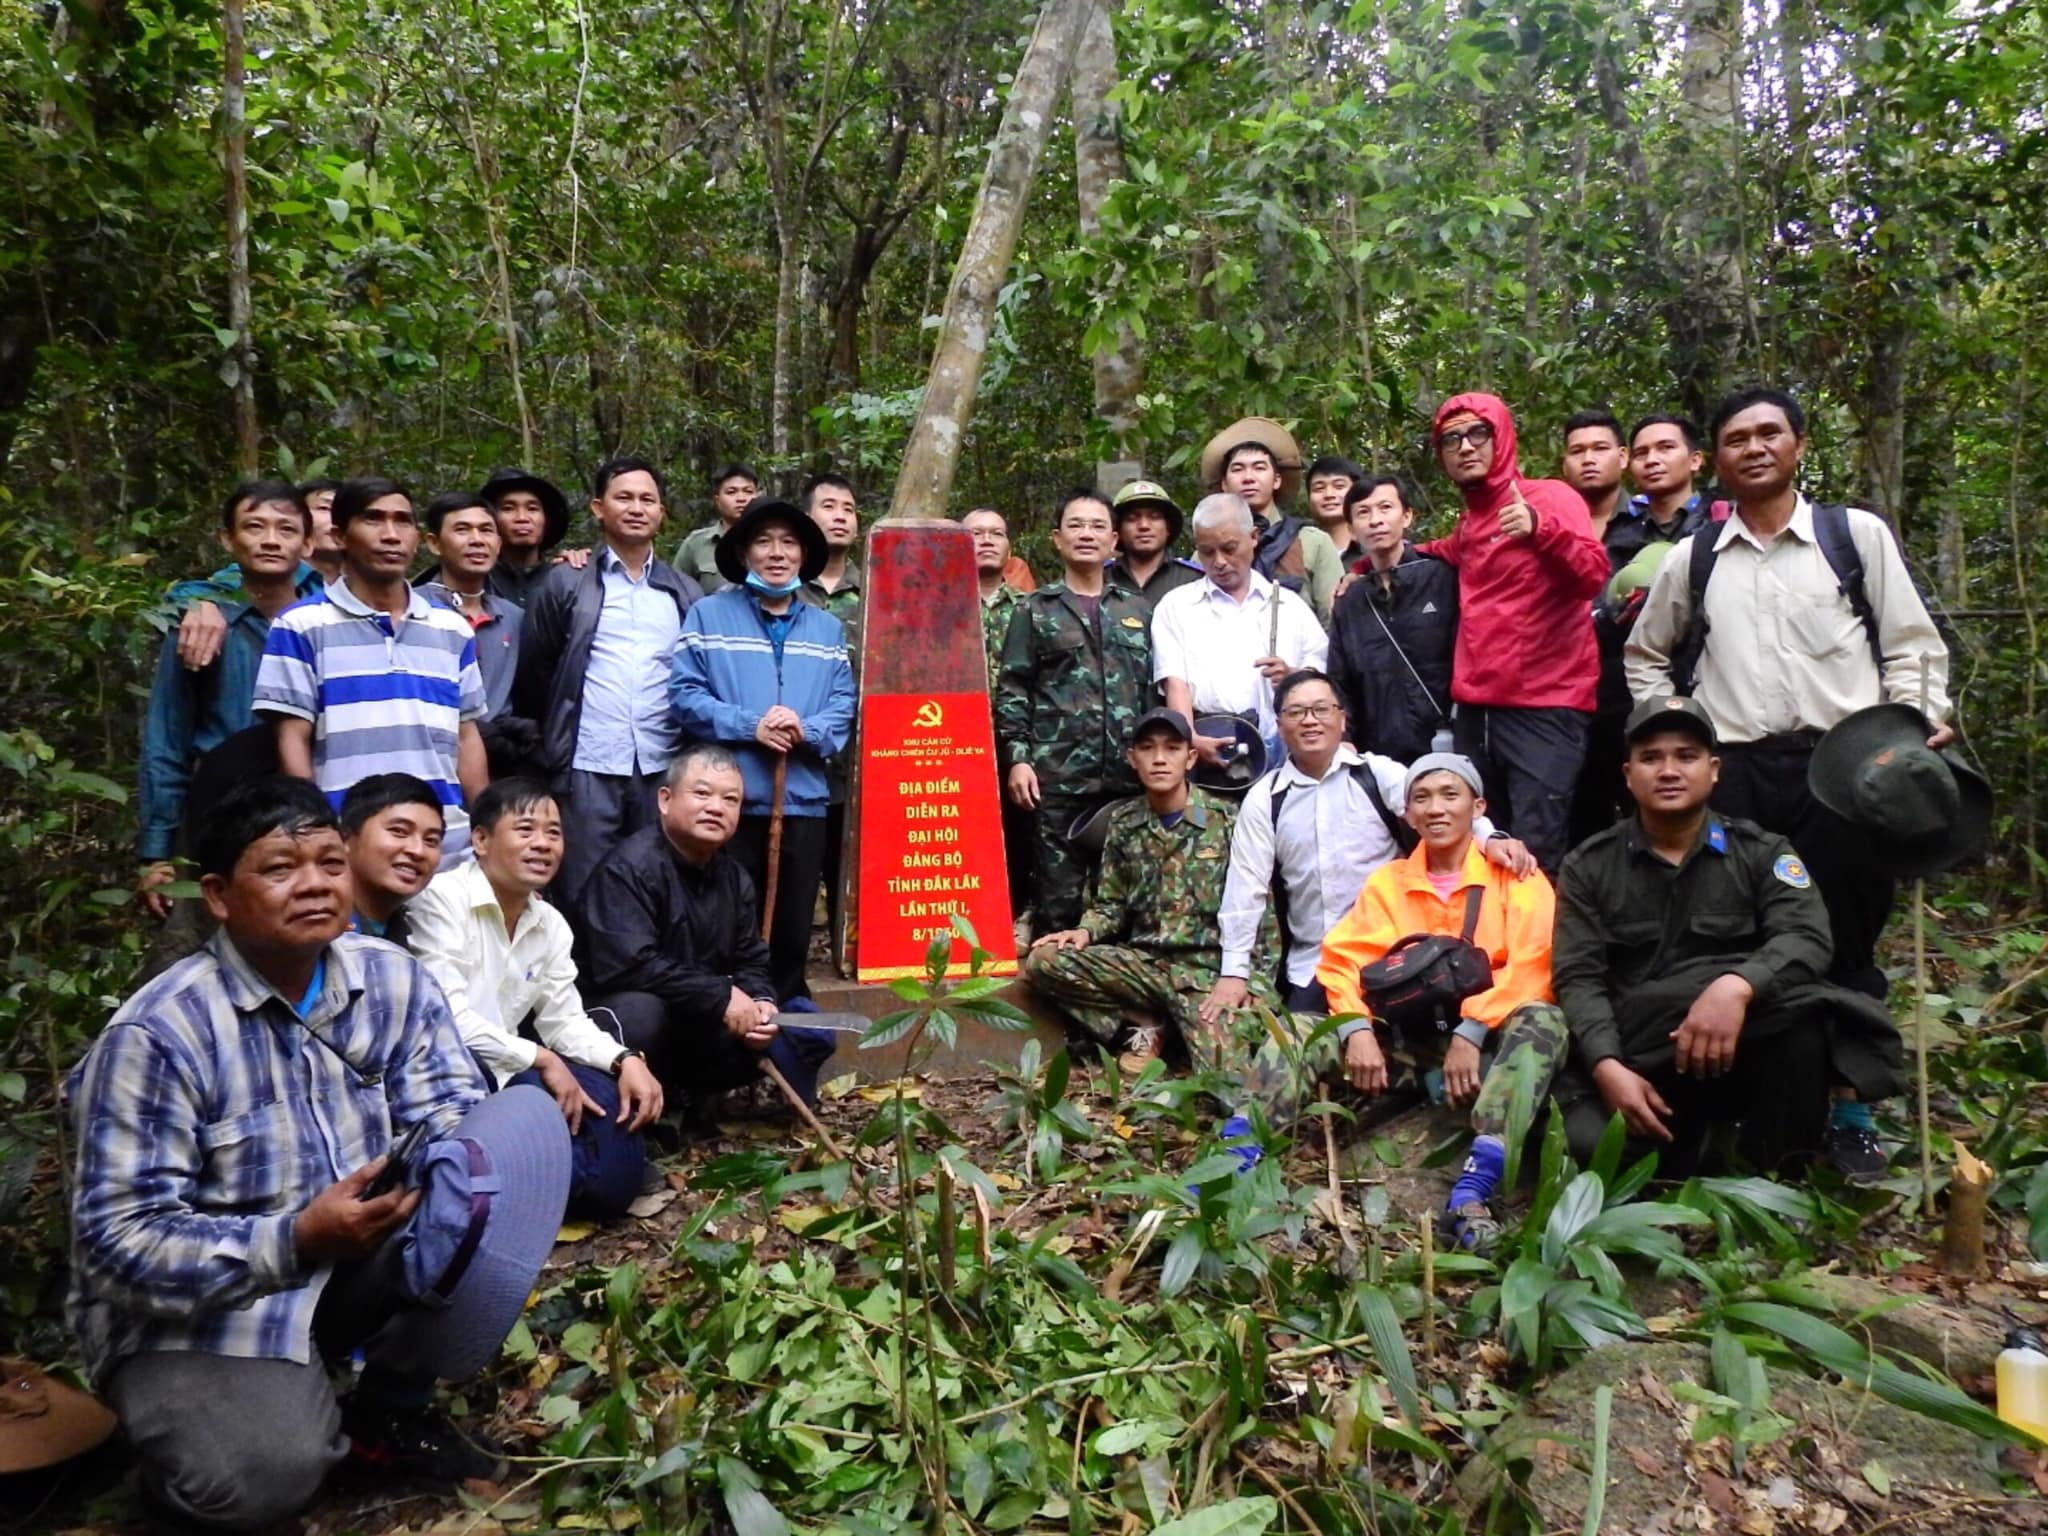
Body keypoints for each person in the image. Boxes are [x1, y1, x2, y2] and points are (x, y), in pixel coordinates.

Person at [67, 776, 569, 1531]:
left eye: (330, 864)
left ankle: (388, 1409)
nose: (314, 885)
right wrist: (295, 1238)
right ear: (219, 895)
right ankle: (196, 1443)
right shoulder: (158, 1037)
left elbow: (450, 1110)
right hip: (205, 1306)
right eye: (279, 868)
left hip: (352, 1251)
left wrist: (445, 1174)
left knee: (493, 1176)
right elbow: (117, 1245)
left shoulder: (392, 979)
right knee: (258, 1478)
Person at [1624, 385, 1952, 999]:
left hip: (1846, 767)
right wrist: (1675, 732)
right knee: (1737, 929)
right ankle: (1763, 1051)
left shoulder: (1853, 536)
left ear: (1798, 445)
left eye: (1769, 434)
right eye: (1736, 440)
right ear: (1716, 460)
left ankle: (1851, 1050)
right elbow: (1645, 654)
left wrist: (1913, 725)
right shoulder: (1695, 558)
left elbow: (1913, 645)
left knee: (1846, 926)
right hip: (1736, 773)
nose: (1754, 448)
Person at [1551, 696, 1904, 1181]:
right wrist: (1606, 1065)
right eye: (1651, 758)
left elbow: (1805, 936)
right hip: (1643, 1055)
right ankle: (1694, 1149)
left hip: (1743, 1048)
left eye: (1686, 756)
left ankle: (1776, 1178)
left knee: (1805, 1025)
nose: (1669, 771)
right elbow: (1578, 977)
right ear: (1628, 775)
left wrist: (1736, 986)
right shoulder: (1588, 866)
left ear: (1714, 770)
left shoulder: (1761, 853)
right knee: (1591, 1149)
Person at [1316, 754, 1570, 1254]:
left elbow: (1535, 964)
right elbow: (1342, 959)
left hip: (1490, 1046)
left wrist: (1472, 1030)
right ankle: (1237, 1160)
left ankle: (1474, 1189)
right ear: (1408, 814)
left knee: (1545, 1020)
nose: (1436, 808)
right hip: (1409, 1045)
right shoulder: (1389, 883)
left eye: (1450, 795)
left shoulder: (1515, 876)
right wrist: (1355, 1028)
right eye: (1422, 798)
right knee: (1302, 1032)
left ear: (1478, 807)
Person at [406, 779, 662, 1218]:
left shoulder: (550, 923)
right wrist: (540, 1058)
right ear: (481, 840)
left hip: (513, 1069)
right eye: (525, 830)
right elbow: (445, 1019)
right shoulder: (440, 901)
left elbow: (564, 1020)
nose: (542, 844)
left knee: (616, 1159)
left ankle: (541, 1181)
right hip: (455, 1076)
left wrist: (625, 1060)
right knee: (593, 1172)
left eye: (553, 832)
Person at [1206, 670, 1529, 1017]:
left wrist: (1490, 837)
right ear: (1280, 724)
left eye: (1321, 709)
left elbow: (1437, 807)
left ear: (1342, 719)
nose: (1310, 720)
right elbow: (1246, 886)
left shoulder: (1376, 774)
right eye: (1296, 712)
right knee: (1300, 1043)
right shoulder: (1265, 799)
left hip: (1396, 957)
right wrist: (1234, 972)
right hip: (1315, 964)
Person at [576, 745, 839, 1110]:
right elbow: (629, 967)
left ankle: (701, 1101)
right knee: (642, 1014)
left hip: (699, 1017)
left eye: (730, 799)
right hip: (623, 1022)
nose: (716, 807)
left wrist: (760, 1001)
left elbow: (751, 959)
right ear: (665, 800)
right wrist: (720, 996)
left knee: (799, 1022)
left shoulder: (733, 876)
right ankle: (634, 1115)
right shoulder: (627, 869)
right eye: (702, 794)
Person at [670, 499, 855, 1001]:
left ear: (803, 555)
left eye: (789, 542)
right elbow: (684, 695)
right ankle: (727, 1015)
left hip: (803, 799)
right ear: (744, 553)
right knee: (725, 923)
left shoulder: (826, 629)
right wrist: (750, 725)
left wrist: (805, 729)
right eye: (764, 541)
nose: (777, 553)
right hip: (728, 800)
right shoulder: (709, 615)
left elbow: (844, 706)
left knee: (793, 927)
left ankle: (786, 1019)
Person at [254, 476, 489, 862]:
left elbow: (466, 736)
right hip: (347, 845)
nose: (391, 535)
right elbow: (292, 740)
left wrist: (485, 832)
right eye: (373, 519)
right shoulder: (300, 626)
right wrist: (316, 835)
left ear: (417, 537)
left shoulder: (452, 628)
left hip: (445, 847)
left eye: (403, 521)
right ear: (340, 535)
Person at [1421, 392, 1609, 872]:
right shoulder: (1471, 523)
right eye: (1452, 439)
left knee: (1535, 851)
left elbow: (1593, 575)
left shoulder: (1549, 497)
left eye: (1478, 433)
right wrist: (1365, 568)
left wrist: (1541, 529)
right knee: (1481, 846)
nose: (1466, 447)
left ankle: (1543, 927)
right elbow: (1442, 550)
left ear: (1502, 437)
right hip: (1477, 711)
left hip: (1545, 706)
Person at [514, 456, 703, 901]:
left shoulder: (684, 592)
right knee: (583, 886)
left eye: (647, 500)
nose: (636, 508)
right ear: (599, 508)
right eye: (624, 498)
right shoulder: (566, 581)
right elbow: (537, 673)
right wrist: (550, 748)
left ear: (662, 513)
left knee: (653, 884)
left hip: (660, 762)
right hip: (586, 761)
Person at [1024, 709, 1255, 1072]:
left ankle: (1185, 1027)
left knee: (1230, 1081)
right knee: (1045, 960)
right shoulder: (1125, 822)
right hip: (1144, 966)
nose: (1159, 759)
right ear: (1133, 758)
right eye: (1148, 748)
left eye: (1172, 748)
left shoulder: (1227, 820)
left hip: (1205, 975)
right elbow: (1112, 904)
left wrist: (1252, 983)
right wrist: (1086, 931)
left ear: (1191, 757)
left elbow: (1260, 912)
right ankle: (1145, 1022)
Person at [139, 479, 312, 921]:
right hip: (217, 810)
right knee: (206, 936)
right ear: (227, 539)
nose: (270, 540)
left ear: (308, 543)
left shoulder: (326, 625)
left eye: (286, 529)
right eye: (254, 527)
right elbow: (167, 739)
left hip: (308, 810)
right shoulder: (199, 628)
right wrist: (158, 852)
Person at [995, 489, 1155, 933]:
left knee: (1126, 898)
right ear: (1057, 538)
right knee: (1057, 902)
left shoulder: (1137, 610)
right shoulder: (1034, 609)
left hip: (1127, 777)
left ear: (1114, 540)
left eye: (1098, 526)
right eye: (1076, 525)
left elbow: (1151, 692)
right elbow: (1014, 689)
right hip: (1057, 776)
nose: (1087, 534)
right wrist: (1018, 759)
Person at [1569, 414, 1708, 848]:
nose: (1653, 460)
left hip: (1708, 689)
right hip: (1619, 694)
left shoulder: (1720, 525)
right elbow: (1595, 613)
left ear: (1696, 459)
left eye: (1666, 448)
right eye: (1643, 452)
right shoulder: (1619, 533)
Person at [1151, 493, 1327, 762]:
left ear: (1253, 537)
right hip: (1210, 739)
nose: (1219, 561)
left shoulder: (1290, 606)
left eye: (1229, 548)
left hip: (1286, 749)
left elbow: (1320, 674)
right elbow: (1175, 683)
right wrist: (1191, 739)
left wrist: (1293, 676)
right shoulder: (1176, 606)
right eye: (1207, 552)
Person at [1325, 474, 1459, 764]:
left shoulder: (1441, 577)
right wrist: (1345, 737)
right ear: (1351, 529)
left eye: (1385, 508)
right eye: (1363, 512)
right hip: (1378, 752)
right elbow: (1340, 680)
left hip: (1448, 743)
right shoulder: (1350, 600)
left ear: (1407, 516)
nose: (1375, 520)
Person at [798, 472, 863, 954]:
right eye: (828, 506)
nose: (840, 516)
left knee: (853, 863)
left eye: (849, 509)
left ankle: (851, 951)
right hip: (797, 753)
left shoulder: (878, 585)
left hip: (860, 756)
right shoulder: (785, 587)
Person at [1200, 418, 1345, 621]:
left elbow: (1335, 620)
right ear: (1224, 484)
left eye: (1259, 468)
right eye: (1238, 469)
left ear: (1276, 480)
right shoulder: (1208, 551)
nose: (1248, 477)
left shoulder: (1313, 542)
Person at [419, 491, 522, 723]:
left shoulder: (513, 617)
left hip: (499, 740)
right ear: (434, 543)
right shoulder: (410, 609)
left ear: (498, 544)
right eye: (462, 530)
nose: (477, 540)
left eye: (486, 530)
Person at [340, 773, 445, 944]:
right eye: (399, 831)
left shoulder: (417, 931)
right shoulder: (317, 925)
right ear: (345, 837)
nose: (418, 851)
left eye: (431, 840)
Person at [478, 467, 571, 609]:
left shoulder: (562, 578)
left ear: (546, 521)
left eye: (532, 509)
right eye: (508, 508)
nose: (522, 518)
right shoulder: (474, 579)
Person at [1105, 480, 1203, 604]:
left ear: (1168, 528)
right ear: (1118, 530)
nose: (1144, 526)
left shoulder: (1194, 578)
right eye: (1132, 519)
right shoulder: (1101, 577)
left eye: (1154, 517)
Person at [672, 463, 760, 594]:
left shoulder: (775, 541)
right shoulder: (696, 543)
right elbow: (676, 589)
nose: (741, 498)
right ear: (717, 500)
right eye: (731, 492)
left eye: (748, 491)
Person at [965, 507, 1023, 692]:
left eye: (997, 534)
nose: (987, 541)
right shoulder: (938, 612)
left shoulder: (1032, 608)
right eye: (976, 533)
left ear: (1009, 551)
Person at [1560, 410, 1629, 540]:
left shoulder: (1649, 520)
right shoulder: (1550, 523)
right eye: (1577, 451)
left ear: (1622, 457)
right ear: (1564, 465)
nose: (1588, 459)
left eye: (1600, 448)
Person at [1305, 454, 1365, 563]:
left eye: (1339, 486)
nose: (1329, 494)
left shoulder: (1376, 551)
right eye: (1319, 488)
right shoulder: (1296, 552)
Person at [299, 478, 345, 584]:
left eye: (344, 511)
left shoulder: (370, 584)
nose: (337, 517)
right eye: (324, 508)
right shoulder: (277, 580)